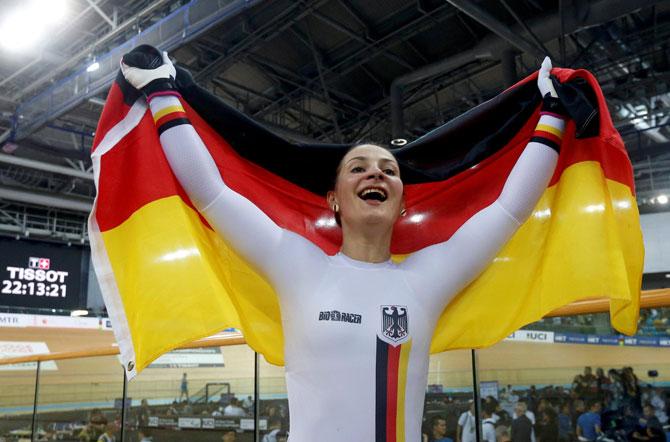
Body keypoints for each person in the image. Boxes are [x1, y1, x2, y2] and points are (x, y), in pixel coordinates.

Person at [120, 45, 568, 442]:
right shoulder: (297, 264)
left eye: (388, 170)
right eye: (358, 167)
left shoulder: (429, 277)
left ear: (403, 204)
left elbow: (510, 209)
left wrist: (554, 113)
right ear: (333, 200)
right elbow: (211, 193)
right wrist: (162, 91)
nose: (375, 173)